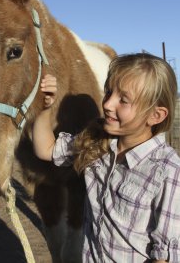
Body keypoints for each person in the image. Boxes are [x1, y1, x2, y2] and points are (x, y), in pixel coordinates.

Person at [32, 52, 180, 263]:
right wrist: (45, 109)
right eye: (109, 91)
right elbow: (45, 149)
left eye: (124, 100)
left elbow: (164, 256)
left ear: (155, 115)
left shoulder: (169, 172)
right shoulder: (95, 142)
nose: (108, 104)